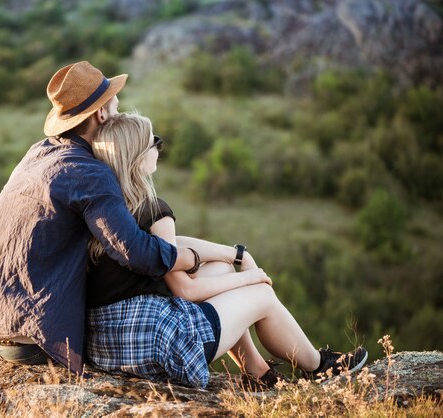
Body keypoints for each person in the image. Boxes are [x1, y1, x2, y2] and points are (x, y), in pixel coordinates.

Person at [0, 61, 200, 375]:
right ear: (102, 115)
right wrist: (193, 258)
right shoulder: (90, 173)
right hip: (30, 339)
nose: (120, 116)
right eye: (116, 109)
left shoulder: (38, 153)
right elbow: (138, 254)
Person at [85, 112, 368, 389]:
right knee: (263, 296)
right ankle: (319, 366)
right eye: (153, 142)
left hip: (110, 344)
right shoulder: (154, 210)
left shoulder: (108, 211)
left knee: (220, 269)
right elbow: (186, 290)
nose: (159, 147)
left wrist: (234, 255)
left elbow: (174, 246)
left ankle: (257, 371)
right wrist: (251, 278)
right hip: (155, 343)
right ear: (138, 158)